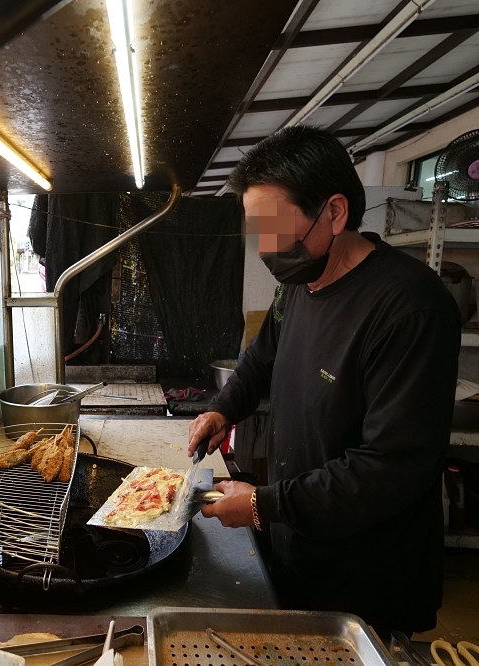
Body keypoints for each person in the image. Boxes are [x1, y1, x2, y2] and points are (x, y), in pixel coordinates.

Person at [188, 125, 461, 636]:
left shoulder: (409, 308)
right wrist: (223, 409)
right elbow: (260, 359)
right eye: (256, 231)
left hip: (367, 569)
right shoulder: (299, 286)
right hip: (299, 539)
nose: (267, 248)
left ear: (335, 212)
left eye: (276, 229)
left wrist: (262, 503)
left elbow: (390, 468)